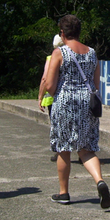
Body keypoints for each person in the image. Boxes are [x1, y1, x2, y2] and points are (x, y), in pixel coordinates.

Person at [44, 14, 110, 209]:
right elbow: (95, 84)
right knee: (86, 149)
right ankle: (99, 180)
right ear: (79, 32)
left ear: (62, 33)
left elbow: (49, 85)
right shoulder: (92, 53)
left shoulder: (60, 53)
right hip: (87, 104)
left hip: (65, 102)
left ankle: (64, 193)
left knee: (63, 148)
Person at [38, 34, 64, 162]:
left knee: (57, 125)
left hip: (52, 99)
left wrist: (40, 96)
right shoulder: (73, 56)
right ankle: (82, 152)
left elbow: (45, 79)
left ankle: (59, 152)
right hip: (70, 97)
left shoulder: (51, 58)